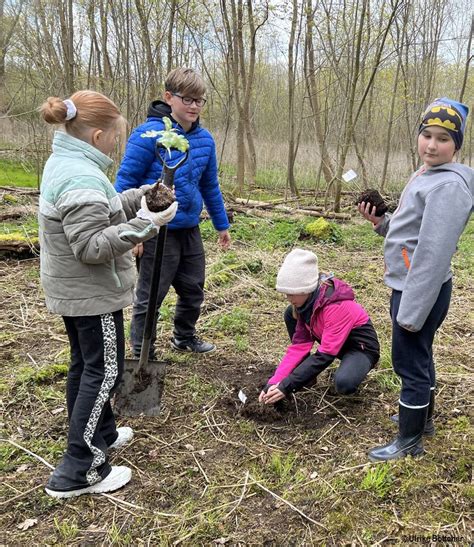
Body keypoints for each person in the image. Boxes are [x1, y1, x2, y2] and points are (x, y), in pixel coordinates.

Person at [38, 91, 178, 498]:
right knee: (103, 372)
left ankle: (103, 433)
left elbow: (97, 211)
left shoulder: (71, 162)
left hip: (78, 290)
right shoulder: (80, 174)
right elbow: (91, 246)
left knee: (87, 365)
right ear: (97, 135)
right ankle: (80, 470)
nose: (117, 141)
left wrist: (136, 198)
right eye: (115, 134)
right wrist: (146, 224)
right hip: (90, 292)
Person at [358, 97, 473, 462]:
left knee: (408, 360)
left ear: (457, 144)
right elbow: (408, 233)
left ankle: (409, 440)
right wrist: (381, 223)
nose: (432, 145)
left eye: (443, 138)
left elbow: (432, 255)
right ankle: (422, 420)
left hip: (420, 288)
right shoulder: (425, 174)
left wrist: (410, 311)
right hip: (410, 283)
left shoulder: (448, 187)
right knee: (419, 355)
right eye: (427, 135)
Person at [115, 67, 230, 357]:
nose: (194, 106)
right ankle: (143, 350)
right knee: (151, 294)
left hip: (189, 228)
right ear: (169, 98)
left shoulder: (204, 139)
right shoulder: (147, 135)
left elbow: (209, 184)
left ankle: (184, 336)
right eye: (187, 99)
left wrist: (221, 224)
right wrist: (133, 233)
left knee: (193, 289)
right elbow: (125, 184)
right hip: (154, 229)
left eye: (199, 100)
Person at [259, 249, 380, 405]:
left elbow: (325, 355)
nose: (288, 298)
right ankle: (307, 376)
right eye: (286, 293)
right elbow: (299, 347)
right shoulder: (306, 305)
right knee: (290, 313)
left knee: (344, 384)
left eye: (292, 293)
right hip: (333, 343)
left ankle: (363, 365)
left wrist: (287, 386)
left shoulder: (336, 307)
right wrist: (275, 381)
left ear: (306, 289)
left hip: (360, 348)